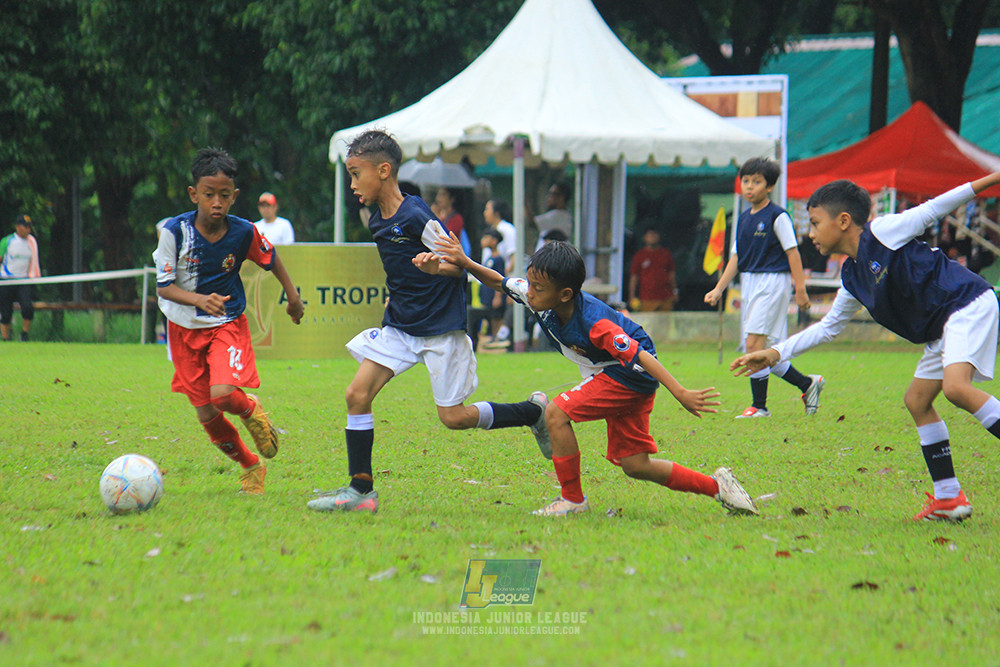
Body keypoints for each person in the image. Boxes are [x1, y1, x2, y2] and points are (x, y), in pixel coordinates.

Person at [732, 171, 1000, 523]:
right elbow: (828, 327)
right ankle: (949, 497)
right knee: (917, 401)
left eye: (814, 223)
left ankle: (950, 497)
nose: (810, 233)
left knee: (956, 388)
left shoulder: (884, 231)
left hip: (966, 303)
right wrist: (775, 352)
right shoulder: (853, 276)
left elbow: (937, 206)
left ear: (843, 221)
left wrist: (992, 178)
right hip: (943, 326)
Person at [307, 130, 551, 515]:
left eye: (357, 174)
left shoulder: (416, 215)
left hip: (440, 329)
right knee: (356, 395)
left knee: (453, 418)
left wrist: (437, 266)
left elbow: (457, 265)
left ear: (384, 171)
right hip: (401, 327)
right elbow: (400, 269)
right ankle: (361, 490)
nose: (352, 184)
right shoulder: (376, 220)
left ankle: (533, 412)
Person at [429, 234, 759, 518]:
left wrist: (681, 392)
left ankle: (572, 500)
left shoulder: (596, 323)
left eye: (537, 288)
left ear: (565, 295)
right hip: (616, 374)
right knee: (635, 464)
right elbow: (499, 281)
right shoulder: (541, 296)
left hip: (628, 375)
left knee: (556, 413)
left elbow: (641, 356)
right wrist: (466, 262)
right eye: (529, 283)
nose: (529, 292)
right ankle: (719, 487)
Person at [153, 148, 305, 495]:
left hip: (226, 323)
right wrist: (198, 300)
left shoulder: (243, 232)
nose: (216, 202)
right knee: (206, 414)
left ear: (234, 197)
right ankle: (251, 466)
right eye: (209, 195)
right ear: (194, 194)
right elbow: (163, 287)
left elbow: (271, 258)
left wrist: (293, 298)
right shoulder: (173, 232)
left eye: (224, 195)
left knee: (223, 394)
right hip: (183, 328)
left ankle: (251, 410)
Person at [704, 157, 825, 418]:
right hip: (750, 282)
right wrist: (719, 289)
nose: (749, 187)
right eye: (746, 181)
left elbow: (793, 253)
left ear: (769, 186)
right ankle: (807, 384)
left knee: (753, 344)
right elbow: (736, 257)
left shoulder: (778, 216)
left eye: (756, 182)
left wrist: (800, 289)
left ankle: (759, 406)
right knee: (766, 350)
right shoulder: (744, 219)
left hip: (773, 281)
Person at [0, 214, 41, 342]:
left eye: (29, 227)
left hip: (23, 280)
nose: (28, 230)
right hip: (7, 280)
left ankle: (24, 334)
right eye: (25, 227)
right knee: (6, 312)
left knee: (28, 307)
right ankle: (6, 338)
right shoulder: (8, 241)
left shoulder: (31, 243)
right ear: (18, 227)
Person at [468, 228, 506, 351]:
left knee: (495, 318)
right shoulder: (488, 258)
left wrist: (498, 296)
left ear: (494, 241)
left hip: (493, 296)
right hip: (485, 296)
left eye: (486, 238)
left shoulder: (498, 259)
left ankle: (496, 340)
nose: (483, 241)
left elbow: (499, 277)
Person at [628, 227, 676, 312]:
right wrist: (632, 296)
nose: (652, 237)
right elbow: (634, 277)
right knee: (648, 323)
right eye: (650, 235)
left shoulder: (665, 254)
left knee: (665, 323)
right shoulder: (640, 255)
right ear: (644, 238)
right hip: (647, 298)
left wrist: (674, 292)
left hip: (665, 297)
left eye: (654, 235)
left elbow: (671, 274)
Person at [527, 182, 573, 251]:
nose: (548, 197)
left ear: (561, 197)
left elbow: (533, 223)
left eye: (553, 194)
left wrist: (525, 204)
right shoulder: (561, 215)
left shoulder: (559, 216)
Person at [431, 186, 471, 256]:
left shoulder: (456, 219)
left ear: (452, 199)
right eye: (438, 194)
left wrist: (436, 219)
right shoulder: (439, 214)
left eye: (443, 195)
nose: (438, 198)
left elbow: (445, 239)